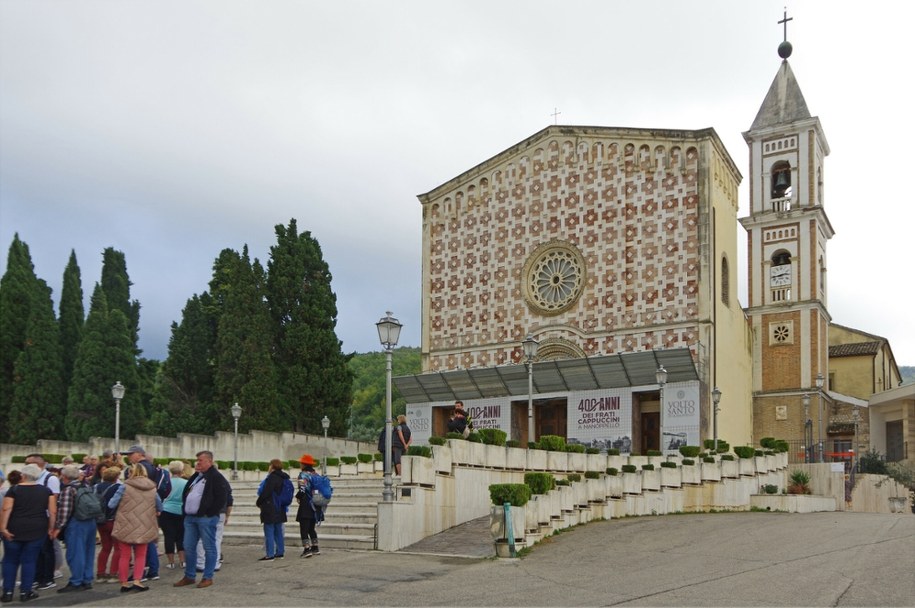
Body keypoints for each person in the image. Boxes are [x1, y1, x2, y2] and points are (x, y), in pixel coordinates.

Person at [0, 464, 56, 603]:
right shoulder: (46, 491)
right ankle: (26, 591)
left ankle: (7, 591)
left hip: (14, 527)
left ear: (22, 475)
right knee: (30, 560)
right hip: (37, 528)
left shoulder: (14, 490)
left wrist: (3, 527)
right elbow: (52, 511)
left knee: (10, 560)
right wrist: (51, 527)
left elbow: (6, 509)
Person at [173, 450, 228, 589]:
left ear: (209, 461)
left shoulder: (216, 477)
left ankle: (207, 577)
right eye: (197, 461)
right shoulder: (197, 476)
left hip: (205, 518)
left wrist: (210, 512)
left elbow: (222, 497)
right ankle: (190, 575)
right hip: (191, 517)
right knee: (189, 546)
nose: (198, 463)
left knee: (208, 547)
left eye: (200, 461)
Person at [109, 463, 162, 593]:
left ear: (130, 473)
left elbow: (111, 504)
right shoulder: (152, 488)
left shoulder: (124, 487)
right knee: (140, 555)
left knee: (125, 555)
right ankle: (138, 581)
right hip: (144, 524)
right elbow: (160, 506)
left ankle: (124, 583)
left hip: (125, 524)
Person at [53, 465, 96, 593]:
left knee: (75, 553)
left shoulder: (68, 490)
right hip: (90, 521)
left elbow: (65, 511)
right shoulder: (86, 486)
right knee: (89, 552)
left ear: (64, 476)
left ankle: (76, 581)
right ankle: (87, 579)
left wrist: (58, 527)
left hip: (77, 523)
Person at [23, 454, 59, 591]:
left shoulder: (51, 478)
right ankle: (37, 577)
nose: (25, 465)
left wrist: (52, 523)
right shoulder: (31, 478)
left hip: (45, 517)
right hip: (34, 518)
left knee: (46, 550)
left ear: (39, 464)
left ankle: (48, 578)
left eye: (28, 463)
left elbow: (54, 500)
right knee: (35, 550)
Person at [256, 459, 290, 560]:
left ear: (272, 466)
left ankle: (270, 554)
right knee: (278, 531)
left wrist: (258, 502)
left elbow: (266, 492)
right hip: (280, 507)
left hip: (270, 507)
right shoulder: (284, 477)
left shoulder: (272, 477)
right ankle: (280, 552)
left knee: (269, 531)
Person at [94, 466, 123, 583]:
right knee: (118, 548)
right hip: (114, 519)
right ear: (116, 477)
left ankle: (100, 573)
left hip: (100, 520)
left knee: (105, 547)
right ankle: (113, 573)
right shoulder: (119, 488)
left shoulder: (96, 487)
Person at [159, 461, 187, 570]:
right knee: (181, 536)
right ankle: (182, 560)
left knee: (169, 536)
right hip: (180, 510)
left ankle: (171, 562)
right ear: (181, 470)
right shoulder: (185, 483)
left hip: (166, 510)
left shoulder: (166, 482)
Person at [294, 454, 322, 558]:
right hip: (315, 504)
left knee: (304, 528)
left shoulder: (303, 475)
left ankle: (307, 549)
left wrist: (298, 497)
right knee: (311, 527)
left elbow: (302, 489)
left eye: (301, 463)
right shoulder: (316, 475)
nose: (300, 464)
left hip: (306, 504)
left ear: (304, 464)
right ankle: (315, 547)